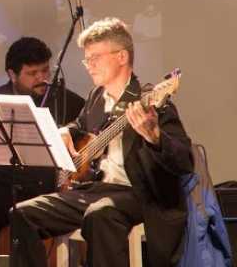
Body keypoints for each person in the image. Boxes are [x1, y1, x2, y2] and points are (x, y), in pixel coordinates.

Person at [10, 18, 192, 267]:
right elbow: (81, 125)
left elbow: (184, 161)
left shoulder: (151, 100)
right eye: (87, 59)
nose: (89, 65)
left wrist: (154, 136)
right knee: (23, 213)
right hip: (95, 190)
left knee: (101, 215)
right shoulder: (97, 96)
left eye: (95, 57)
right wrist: (66, 131)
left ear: (121, 57)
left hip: (139, 194)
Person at [0, 37, 85, 257]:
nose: (42, 78)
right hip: (2, 186)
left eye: (45, 71)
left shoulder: (68, 102)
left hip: (47, 187)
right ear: (12, 75)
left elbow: (84, 131)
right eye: (32, 74)